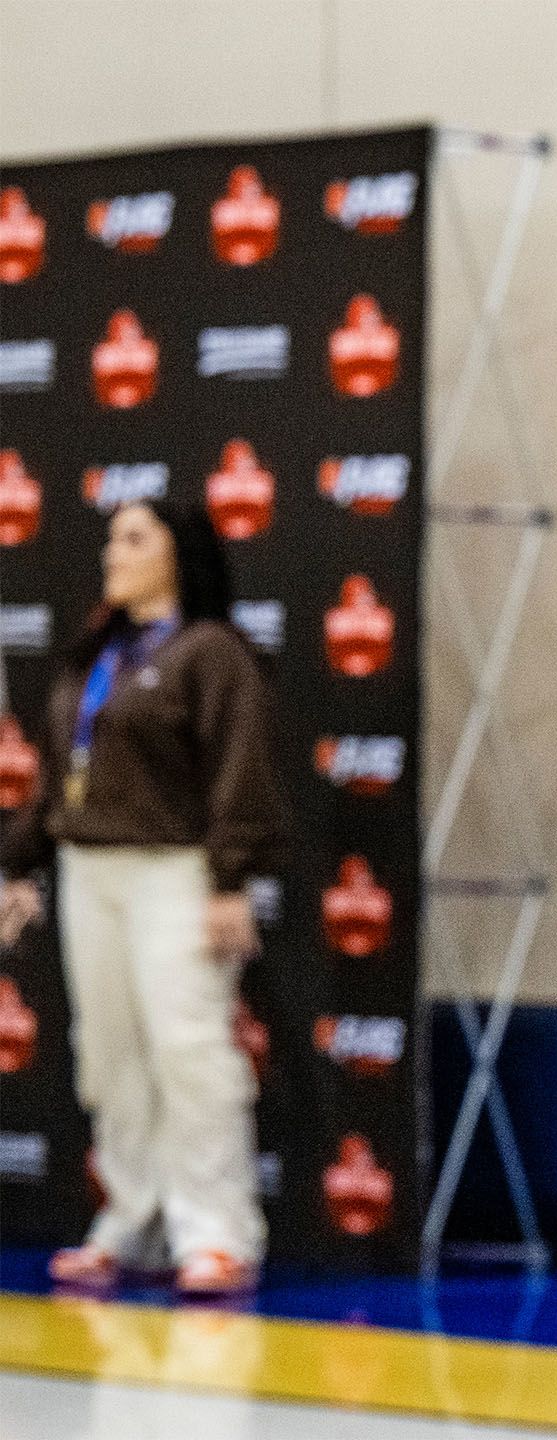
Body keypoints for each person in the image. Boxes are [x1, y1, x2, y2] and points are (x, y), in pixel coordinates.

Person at [0, 499, 285, 1298]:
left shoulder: (210, 651)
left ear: (177, 555)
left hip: (176, 872)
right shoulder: (97, 654)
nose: (112, 553)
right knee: (109, 1055)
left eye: (134, 539)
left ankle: (217, 1233)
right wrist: (18, 865)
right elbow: (60, 779)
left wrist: (230, 882)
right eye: (110, 539)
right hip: (90, 874)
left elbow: (241, 770)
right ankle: (132, 1220)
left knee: (189, 1048)